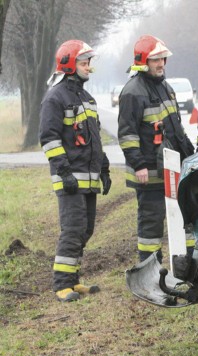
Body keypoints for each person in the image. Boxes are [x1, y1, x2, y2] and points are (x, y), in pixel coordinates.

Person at [40, 40, 111, 302]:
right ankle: (61, 285)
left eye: (89, 63)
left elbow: (95, 138)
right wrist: (64, 172)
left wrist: (103, 168)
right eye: (84, 63)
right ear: (69, 64)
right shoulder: (55, 97)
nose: (88, 68)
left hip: (88, 177)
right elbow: (48, 138)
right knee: (72, 229)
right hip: (70, 178)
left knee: (85, 230)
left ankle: (74, 280)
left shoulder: (87, 98)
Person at [118, 35, 194, 263]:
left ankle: (187, 264)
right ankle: (149, 269)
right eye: (155, 60)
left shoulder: (165, 87)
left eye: (163, 59)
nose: (161, 64)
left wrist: (190, 156)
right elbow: (127, 134)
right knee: (151, 221)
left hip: (171, 168)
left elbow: (176, 130)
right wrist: (138, 165)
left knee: (182, 215)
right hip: (148, 172)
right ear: (143, 62)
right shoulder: (132, 91)